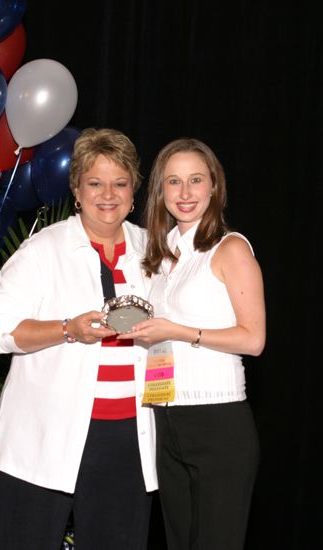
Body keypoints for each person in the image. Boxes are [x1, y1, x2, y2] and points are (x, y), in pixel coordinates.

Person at [0, 128, 157, 550]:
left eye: (120, 182)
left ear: (134, 190)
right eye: (95, 182)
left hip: (128, 442)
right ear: (77, 190)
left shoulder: (154, 251)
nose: (108, 194)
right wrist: (66, 330)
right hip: (43, 438)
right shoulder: (43, 249)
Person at [119, 137, 266, 550]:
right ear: (161, 191)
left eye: (196, 180)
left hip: (218, 425)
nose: (185, 193)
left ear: (214, 186)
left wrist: (177, 331)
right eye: (173, 182)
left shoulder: (230, 248)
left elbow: (254, 339)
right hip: (167, 419)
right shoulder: (165, 259)